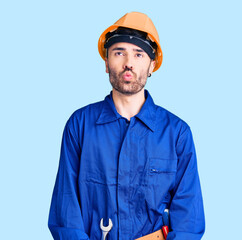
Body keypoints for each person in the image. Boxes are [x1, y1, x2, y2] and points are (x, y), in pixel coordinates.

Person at [48, 12, 205, 240]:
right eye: (119, 52)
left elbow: (188, 223)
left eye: (139, 54)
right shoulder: (80, 125)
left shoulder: (177, 133)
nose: (128, 63)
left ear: (152, 65)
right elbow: (66, 214)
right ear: (106, 62)